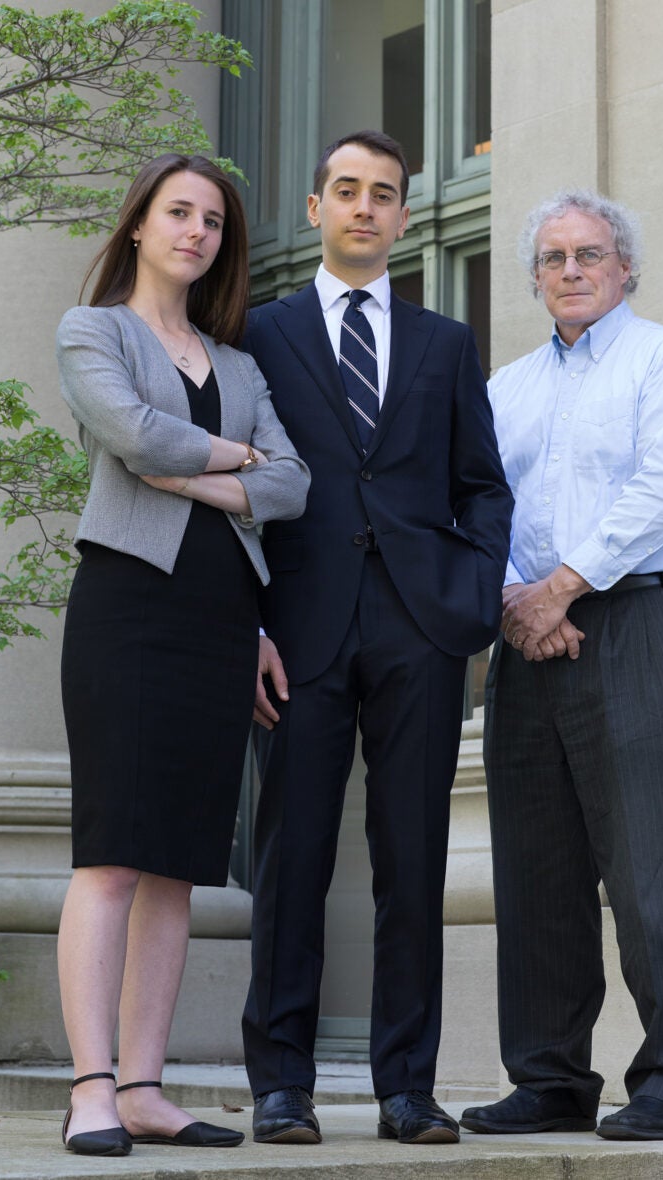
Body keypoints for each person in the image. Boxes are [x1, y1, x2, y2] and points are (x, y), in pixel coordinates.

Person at [239, 130, 513, 1147]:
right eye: (346, 191)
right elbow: (238, 489)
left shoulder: (444, 344)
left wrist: (469, 599)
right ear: (314, 209)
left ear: (402, 215)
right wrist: (248, 621)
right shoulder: (261, 332)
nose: (364, 207)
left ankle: (407, 1087)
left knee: (412, 858)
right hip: (297, 624)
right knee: (291, 854)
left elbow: (482, 485)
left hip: (418, 625)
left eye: (383, 194)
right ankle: (281, 1083)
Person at [460, 188, 663, 1143]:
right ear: (535, 278)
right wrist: (519, 605)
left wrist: (563, 588)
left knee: (659, 865)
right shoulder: (505, 388)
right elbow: (478, 506)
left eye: (589, 254)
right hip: (528, 636)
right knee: (537, 870)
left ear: (626, 268)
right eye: (552, 258)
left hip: (641, 623)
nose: (570, 271)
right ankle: (548, 1078)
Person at [54, 153, 309, 1157]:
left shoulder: (238, 363)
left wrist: (210, 473)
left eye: (211, 219)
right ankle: (91, 1088)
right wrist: (239, 459)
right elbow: (128, 432)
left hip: (219, 621)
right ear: (138, 227)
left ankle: (149, 1086)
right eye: (178, 212)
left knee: (179, 868)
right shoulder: (94, 330)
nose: (195, 231)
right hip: (127, 610)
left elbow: (292, 485)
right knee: (114, 852)